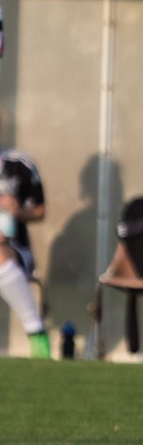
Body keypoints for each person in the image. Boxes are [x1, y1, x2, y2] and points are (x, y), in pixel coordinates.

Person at [0, 110, 50, 358]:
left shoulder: (19, 164)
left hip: (14, 249)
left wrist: (18, 211)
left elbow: (40, 211)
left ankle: (36, 332)